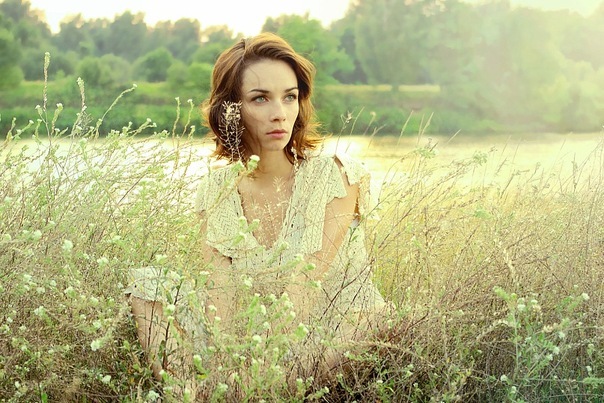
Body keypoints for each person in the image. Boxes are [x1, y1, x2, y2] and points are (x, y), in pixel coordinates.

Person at [125, 31, 391, 397]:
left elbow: (306, 284)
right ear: (231, 109)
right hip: (254, 334)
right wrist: (229, 357)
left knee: (259, 379)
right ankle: (190, 393)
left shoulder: (333, 174)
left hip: (332, 325)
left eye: (290, 97)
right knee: (146, 285)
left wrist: (253, 364)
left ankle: (227, 392)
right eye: (260, 98)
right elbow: (221, 296)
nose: (279, 113)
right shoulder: (218, 189)